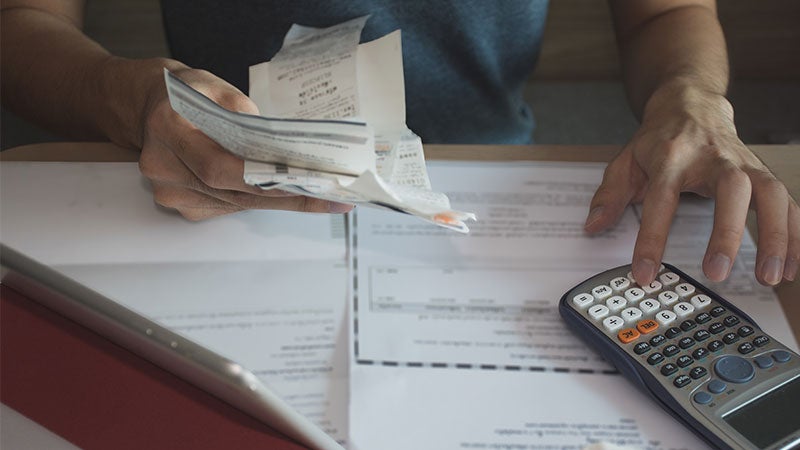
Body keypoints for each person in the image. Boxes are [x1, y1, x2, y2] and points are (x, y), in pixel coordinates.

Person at [2, 0, 797, 286]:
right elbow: (22, 25)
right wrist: (127, 97)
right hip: (212, 187)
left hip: (492, 192)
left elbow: (663, 14)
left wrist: (692, 99)